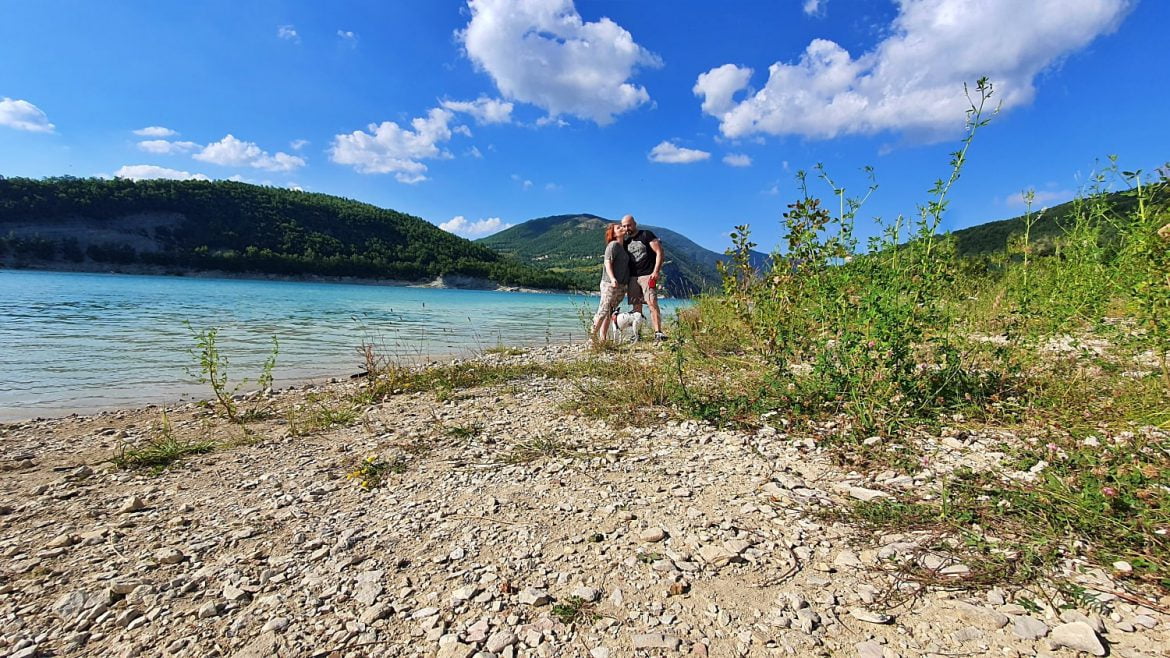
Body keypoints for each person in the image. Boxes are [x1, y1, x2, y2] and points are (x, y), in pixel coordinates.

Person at [619, 214, 667, 340]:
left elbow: (659, 252)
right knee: (636, 307)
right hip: (633, 277)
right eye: (624, 226)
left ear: (635, 223)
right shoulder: (626, 241)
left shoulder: (646, 234)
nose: (626, 228)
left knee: (652, 303)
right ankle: (637, 335)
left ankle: (658, 333)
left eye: (628, 225)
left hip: (648, 275)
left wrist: (656, 271)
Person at [590, 222, 631, 343]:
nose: (622, 228)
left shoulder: (623, 247)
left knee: (609, 313)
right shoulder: (613, 245)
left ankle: (603, 338)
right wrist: (613, 278)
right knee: (603, 311)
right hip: (610, 283)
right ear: (613, 234)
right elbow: (607, 262)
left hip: (621, 285)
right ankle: (592, 338)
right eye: (619, 228)